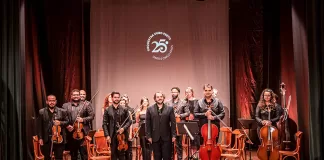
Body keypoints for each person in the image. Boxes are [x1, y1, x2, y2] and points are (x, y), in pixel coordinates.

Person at [62, 89, 95, 160]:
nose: (76, 96)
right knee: (73, 154)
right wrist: (67, 126)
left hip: (84, 133)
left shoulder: (86, 104)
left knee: (84, 153)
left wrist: (83, 119)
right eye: (74, 95)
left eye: (77, 95)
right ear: (71, 96)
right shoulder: (65, 106)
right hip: (71, 133)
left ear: (79, 96)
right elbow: (63, 118)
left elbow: (92, 116)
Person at [146, 91, 176, 160]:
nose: (160, 98)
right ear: (155, 99)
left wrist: (174, 135)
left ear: (163, 98)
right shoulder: (150, 109)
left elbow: (173, 123)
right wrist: (149, 136)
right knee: (157, 157)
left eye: (161, 97)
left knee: (167, 157)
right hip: (154, 137)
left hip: (167, 137)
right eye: (158, 97)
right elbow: (147, 124)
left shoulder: (170, 108)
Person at [103, 91, 132, 160]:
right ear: (112, 98)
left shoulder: (124, 109)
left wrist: (123, 128)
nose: (117, 99)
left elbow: (129, 121)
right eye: (115, 97)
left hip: (122, 135)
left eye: (118, 97)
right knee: (113, 155)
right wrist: (107, 135)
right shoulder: (107, 110)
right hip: (112, 135)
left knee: (122, 155)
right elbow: (104, 124)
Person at [38, 95, 69, 160]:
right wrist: (40, 138)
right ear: (47, 102)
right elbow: (39, 126)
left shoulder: (62, 111)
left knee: (59, 157)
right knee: (47, 157)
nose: (51, 102)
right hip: (47, 139)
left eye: (53, 101)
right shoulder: (42, 112)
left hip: (59, 138)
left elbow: (67, 122)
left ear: (56, 101)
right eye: (50, 101)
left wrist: (60, 123)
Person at [165, 87, 189, 160]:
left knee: (179, 144)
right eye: (172, 92)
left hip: (179, 125)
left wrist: (179, 115)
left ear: (178, 93)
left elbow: (188, 113)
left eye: (175, 92)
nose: (173, 93)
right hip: (169, 125)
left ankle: (179, 158)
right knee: (170, 144)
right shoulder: (167, 103)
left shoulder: (183, 102)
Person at [121, 94, 135, 160]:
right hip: (120, 134)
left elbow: (131, 123)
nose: (122, 104)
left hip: (127, 131)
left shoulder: (129, 112)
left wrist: (130, 134)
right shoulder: (116, 111)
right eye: (121, 103)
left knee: (128, 150)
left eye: (123, 103)